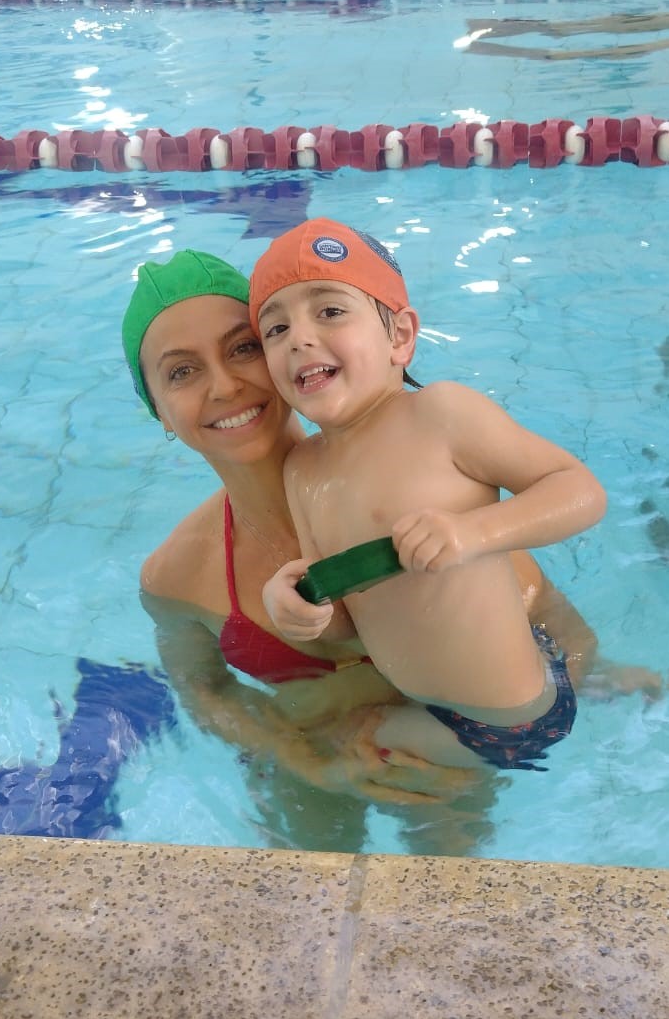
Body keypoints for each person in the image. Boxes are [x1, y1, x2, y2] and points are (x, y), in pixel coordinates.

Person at [121, 249, 617, 840]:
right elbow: (203, 691)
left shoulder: (424, 486)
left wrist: (589, 681)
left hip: (445, 750)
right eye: (181, 372)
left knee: (445, 861)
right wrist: (306, 762)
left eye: (244, 347)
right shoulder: (174, 575)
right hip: (315, 765)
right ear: (158, 411)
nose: (225, 385)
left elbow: (552, 627)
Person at [250, 217, 607, 773]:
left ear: (400, 336)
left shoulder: (442, 415)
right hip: (437, 697)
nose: (298, 337)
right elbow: (346, 618)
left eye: (330, 311)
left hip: (511, 720)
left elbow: (580, 491)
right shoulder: (302, 471)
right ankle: (613, 682)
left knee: (347, 744)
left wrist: (473, 531)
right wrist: (298, 608)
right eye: (275, 329)